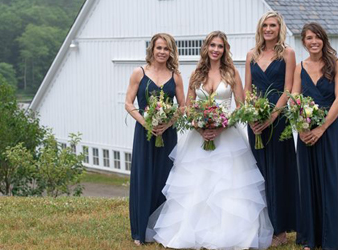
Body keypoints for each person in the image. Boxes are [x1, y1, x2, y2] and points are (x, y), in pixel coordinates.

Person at [145, 31, 273, 250]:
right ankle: (190, 233)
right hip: (199, 137)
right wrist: (200, 126)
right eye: (212, 45)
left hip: (228, 137)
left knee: (227, 187)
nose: (215, 49)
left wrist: (222, 126)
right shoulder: (196, 73)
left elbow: (241, 107)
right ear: (206, 48)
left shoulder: (232, 72)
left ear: (225, 49)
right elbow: (187, 107)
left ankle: (228, 235)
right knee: (197, 187)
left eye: (220, 46)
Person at [292, 23, 338, 250]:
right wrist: (301, 128)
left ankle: (332, 238)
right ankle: (311, 238)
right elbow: (294, 99)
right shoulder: (300, 68)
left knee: (330, 182)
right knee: (307, 182)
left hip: (329, 132)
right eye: (309, 38)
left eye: (317, 37)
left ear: (324, 40)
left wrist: (321, 129)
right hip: (306, 131)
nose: (314, 41)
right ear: (304, 42)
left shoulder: (337, 64)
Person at [124, 33, 185, 246]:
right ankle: (140, 231)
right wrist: (146, 122)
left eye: (166, 49)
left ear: (171, 52)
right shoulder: (139, 73)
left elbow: (183, 107)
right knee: (144, 177)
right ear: (152, 49)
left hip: (167, 134)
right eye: (159, 48)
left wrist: (166, 124)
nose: (162, 52)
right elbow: (129, 103)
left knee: (165, 178)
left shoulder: (175, 76)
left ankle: (162, 230)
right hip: (144, 133)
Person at [244, 11, 299, 246]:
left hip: (279, 120)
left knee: (279, 172)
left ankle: (280, 229)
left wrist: (272, 116)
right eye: (265, 25)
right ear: (260, 28)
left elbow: (288, 89)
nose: (268, 29)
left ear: (279, 28)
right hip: (255, 120)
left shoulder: (287, 53)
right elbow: (247, 89)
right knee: (258, 172)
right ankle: (261, 224)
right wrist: (251, 115)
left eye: (273, 25)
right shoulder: (251, 55)